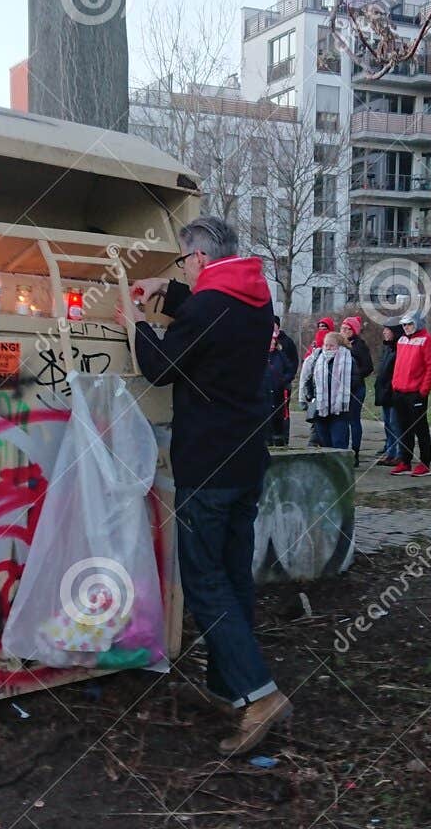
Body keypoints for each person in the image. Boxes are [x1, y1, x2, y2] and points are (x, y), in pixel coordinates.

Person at [129, 215, 290, 757]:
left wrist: (136, 320)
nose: (185, 273)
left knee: (204, 582)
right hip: (247, 459)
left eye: (183, 263)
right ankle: (231, 686)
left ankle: (260, 694)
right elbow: (211, 323)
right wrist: (167, 291)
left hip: (207, 462)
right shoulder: (255, 297)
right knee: (233, 574)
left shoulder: (205, 306)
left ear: (199, 259)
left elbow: (160, 367)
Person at [389, 311, 431, 476]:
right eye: (404, 325)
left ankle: (425, 462)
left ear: (418, 323)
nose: (406, 328)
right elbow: (398, 365)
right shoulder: (402, 340)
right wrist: (394, 385)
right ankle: (405, 461)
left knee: (420, 428)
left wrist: (423, 391)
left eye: (409, 324)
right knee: (403, 428)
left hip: (415, 393)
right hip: (399, 391)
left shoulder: (428, 340)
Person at [300, 330, 353, 449]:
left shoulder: (348, 360)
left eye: (331, 345)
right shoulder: (317, 358)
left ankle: (340, 466)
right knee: (324, 442)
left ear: (339, 346)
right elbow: (309, 378)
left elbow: (355, 382)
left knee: (338, 442)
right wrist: (310, 396)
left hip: (339, 410)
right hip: (320, 408)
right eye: (326, 345)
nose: (328, 348)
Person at [339, 316, 373, 466]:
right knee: (342, 421)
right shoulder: (338, 345)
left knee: (354, 420)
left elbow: (368, 367)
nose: (344, 331)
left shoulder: (360, 346)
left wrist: (355, 376)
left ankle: (355, 451)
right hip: (341, 388)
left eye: (348, 329)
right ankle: (343, 450)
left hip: (356, 388)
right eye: (342, 328)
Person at [261, 316, 298, 449]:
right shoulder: (260, 356)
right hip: (264, 391)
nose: (271, 345)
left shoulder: (281, 355)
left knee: (280, 415)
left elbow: (290, 367)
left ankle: (280, 439)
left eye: (273, 343)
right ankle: (266, 439)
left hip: (279, 391)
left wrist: (285, 379)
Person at [373, 322, 402, 465]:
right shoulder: (387, 349)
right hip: (384, 392)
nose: (384, 332)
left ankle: (398, 453)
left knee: (395, 424)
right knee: (387, 424)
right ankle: (390, 452)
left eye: (387, 330)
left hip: (393, 393)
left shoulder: (399, 349)